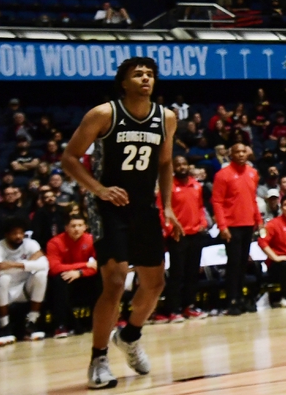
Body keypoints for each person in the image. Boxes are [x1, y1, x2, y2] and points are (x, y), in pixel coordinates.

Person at [58, 57, 179, 388]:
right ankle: (98, 358)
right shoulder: (104, 114)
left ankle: (129, 336)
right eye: (138, 74)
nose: (145, 78)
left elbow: (165, 163)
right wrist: (99, 189)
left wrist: (167, 205)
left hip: (144, 207)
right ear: (123, 82)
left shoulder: (166, 118)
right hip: (107, 207)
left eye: (150, 74)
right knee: (114, 281)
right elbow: (68, 158)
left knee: (155, 284)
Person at [154, 155, 209, 323]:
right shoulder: (167, 186)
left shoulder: (196, 186)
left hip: (195, 235)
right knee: (177, 274)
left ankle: (188, 306)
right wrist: (171, 229)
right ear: (173, 168)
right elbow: (162, 210)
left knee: (192, 273)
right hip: (178, 236)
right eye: (178, 165)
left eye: (184, 163)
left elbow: (200, 207)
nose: (182, 167)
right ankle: (173, 309)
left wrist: (203, 222)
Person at [212, 144, 263, 316]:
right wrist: (222, 226)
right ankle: (231, 300)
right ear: (231, 154)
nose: (241, 154)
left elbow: (253, 198)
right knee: (233, 264)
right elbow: (217, 202)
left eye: (243, 151)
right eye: (237, 152)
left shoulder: (252, 173)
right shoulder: (222, 175)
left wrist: (259, 220)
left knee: (243, 264)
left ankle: (241, 298)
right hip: (232, 226)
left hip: (248, 223)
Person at [0, 216, 49, 345]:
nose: (19, 236)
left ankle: (32, 322)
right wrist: (29, 264)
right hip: (4, 291)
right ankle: (4, 326)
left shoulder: (31, 243)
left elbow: (45, 265)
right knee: (4, 278)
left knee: (41, 275)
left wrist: (15, 265)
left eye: (21, 233)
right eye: (14, 233)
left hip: (24, 288)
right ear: (6, 234)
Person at [46, 214, 101, 338]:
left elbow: (98, 266)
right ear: (66, 228)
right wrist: (85, 264)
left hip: (84, 276)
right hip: (66, 278)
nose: (76, 229)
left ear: (85, 227)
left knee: (101, 278)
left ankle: (98, 322)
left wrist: (80, 273)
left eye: (80, 225)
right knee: (58, 280)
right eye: (73, 226)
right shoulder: (55, 243)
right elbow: (54, 268)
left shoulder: (91, 240)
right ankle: (61, 326)